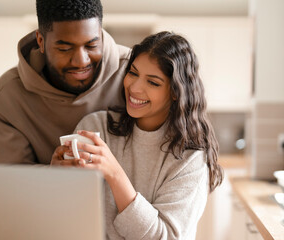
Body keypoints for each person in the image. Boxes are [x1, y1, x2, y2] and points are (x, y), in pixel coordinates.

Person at [52, 31, 224, 239]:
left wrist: (115, 174)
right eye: (133, 73)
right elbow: (67, 217)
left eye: (153, 82)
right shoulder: (96, 127)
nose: (134, 88)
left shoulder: (190, 159)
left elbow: (165, 237)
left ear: (175, 92)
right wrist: (57, 178)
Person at [0, 0, 130, 164]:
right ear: (41, 41)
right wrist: (53, 175)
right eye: (65, 49)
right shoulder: (7, 96)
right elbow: (8, 181)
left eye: (92, 45)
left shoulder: (133, 72)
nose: (80, 61)